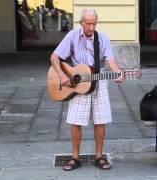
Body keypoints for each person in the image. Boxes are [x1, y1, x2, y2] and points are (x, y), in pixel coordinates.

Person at [50, 8, 125, 171]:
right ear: (81, 23)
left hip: (98, 81)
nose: (92, 27)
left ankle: (99, 156)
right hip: (78, 83)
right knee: (76, 121)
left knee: (100, 120)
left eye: (94, 23)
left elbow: (110, 60)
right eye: (88, 24)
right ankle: (75, 157)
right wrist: (62, 75)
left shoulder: (103, 38)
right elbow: (54, 57)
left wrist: (118, 72)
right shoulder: (72, 36)